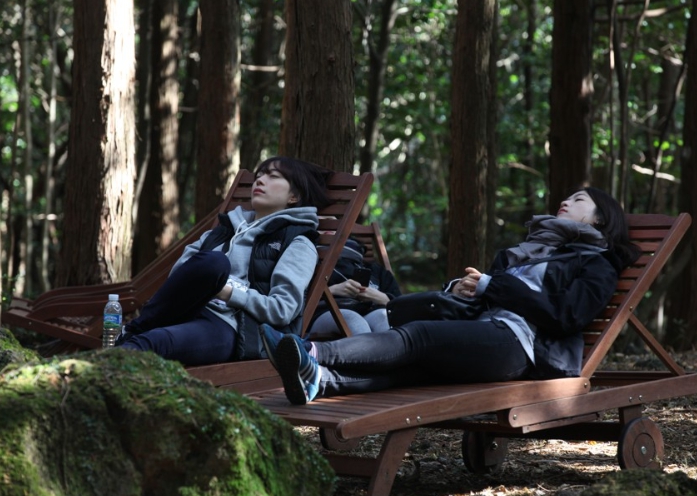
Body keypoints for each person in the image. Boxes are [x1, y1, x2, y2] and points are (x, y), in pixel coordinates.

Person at [260, 187, 641, 405]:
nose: (566, 201)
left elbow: (567, 315)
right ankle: (322, 381)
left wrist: (494, 286)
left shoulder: (597, 263)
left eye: (578, 200)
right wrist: (460, 289)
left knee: (420, 336)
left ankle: (311, 352)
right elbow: (492, 294)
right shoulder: (530, 251)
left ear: (599, 219)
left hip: (522, 347)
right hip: (485, 332)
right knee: (413, 370)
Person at [116, 156, 333, 366]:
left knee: (151, 342)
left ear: (293, 196)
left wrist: (227, 291)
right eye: (258, 176)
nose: (260, 180)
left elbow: (282, 309)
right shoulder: (224, 230)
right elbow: (179, 275)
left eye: (273, 176)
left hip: (233, 326)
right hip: (185, 310)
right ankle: (131, 333)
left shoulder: (297, 242)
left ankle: (117, 352)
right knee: (214, 263)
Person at [307, 237, 401, 339]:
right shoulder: (310, 263)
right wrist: (332, 290)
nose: (329, 231)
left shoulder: (375, 270)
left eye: (334, 229)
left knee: (383, 318)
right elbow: (298, 300)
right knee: (354, 321)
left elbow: (402, 306)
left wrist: (380, 297)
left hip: (369, 311)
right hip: (325, 313)